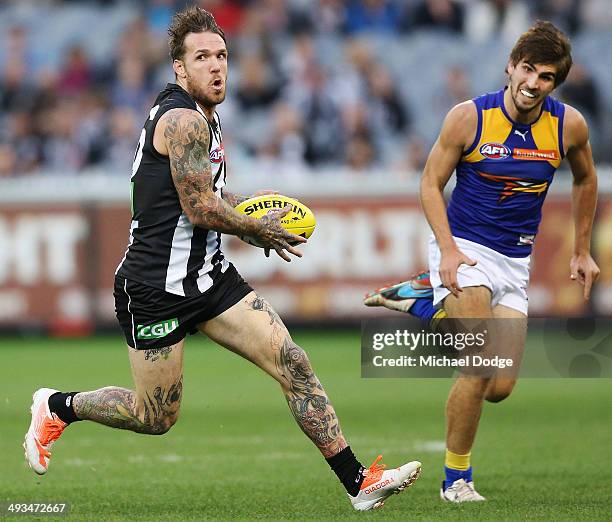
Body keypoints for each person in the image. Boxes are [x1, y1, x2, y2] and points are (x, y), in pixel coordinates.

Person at [23, 6, 421, 512]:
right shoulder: (184, 119)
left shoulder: (205, 116)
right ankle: (57, 405)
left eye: (222, 56)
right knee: (155, 417)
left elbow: (213, 194)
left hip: (208, 279)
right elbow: (199, 206)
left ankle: (358, 482)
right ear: (179, 68)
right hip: (154, 287)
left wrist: (246, 212)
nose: (217, 66)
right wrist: (258, 228)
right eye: (202, 57)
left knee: (293, 363)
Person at [365, 20, 599, 502]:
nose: (533, 83)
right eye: (528, 69)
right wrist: (448, 250)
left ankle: (425, 302)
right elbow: (430, 183)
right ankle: (457, 480)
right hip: (465, 248)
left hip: (515, 260)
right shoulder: (468, 118)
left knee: (499, 387)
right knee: (478, 364)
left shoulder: (568, 125)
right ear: (510, 66)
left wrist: (580, 249)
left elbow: (585, 179)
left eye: (546, 76)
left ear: (557, 82)